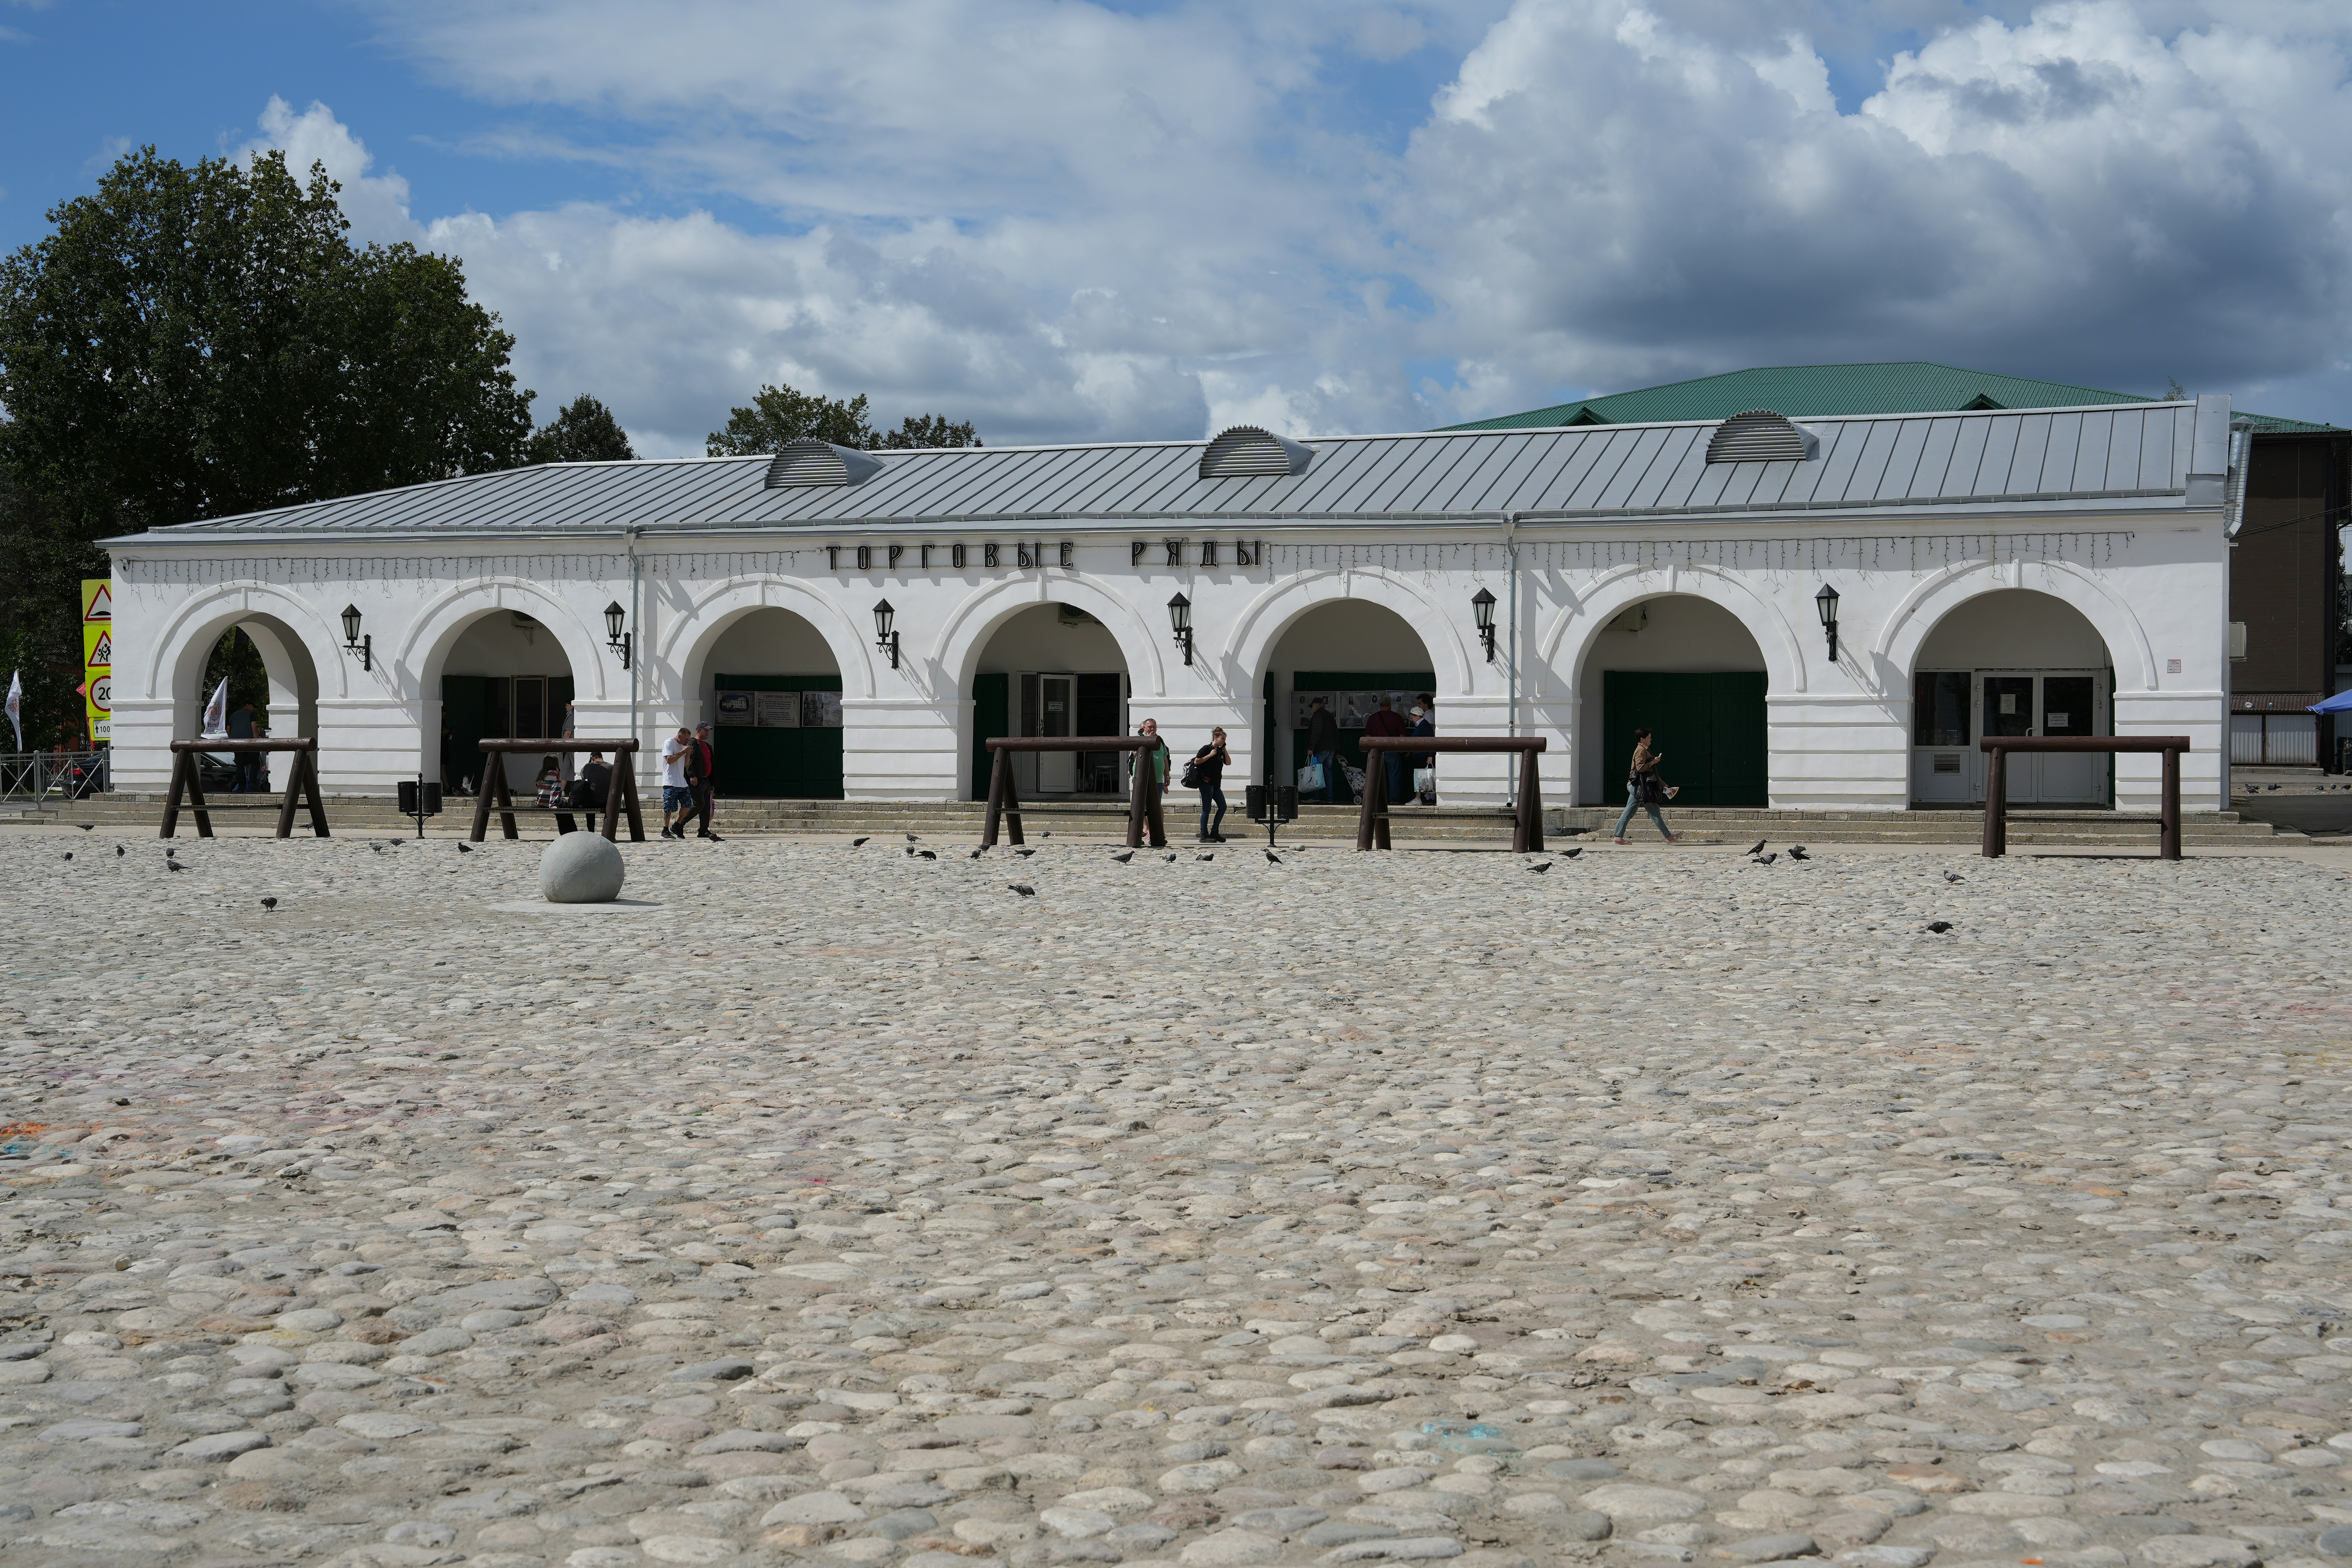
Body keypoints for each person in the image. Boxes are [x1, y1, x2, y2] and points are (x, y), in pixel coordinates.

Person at [1613, 726, 1682, 844]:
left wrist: (1664, 785)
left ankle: (1618, 837)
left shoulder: (1645, 749)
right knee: (1653, 811)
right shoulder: (1641, 751)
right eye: (1649, 738)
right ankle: (1669, 837)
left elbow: (1651, 774)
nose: (1651, 740)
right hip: (1640, 788)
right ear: (1642, 739)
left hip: (1640, 787)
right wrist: (1653, 762)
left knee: (1630, 811)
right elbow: (1641, 769)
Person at [1128, 718, 1170, 848]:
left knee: (1156, 808)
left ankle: (1156, 835)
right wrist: (1147, 741)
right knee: (1139, 806)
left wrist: (1167, 776)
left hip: (1158, 779)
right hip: (1142, 778)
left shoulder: (1160, 740)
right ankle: (1138, 834)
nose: (1153, 729)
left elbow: (1165, 759)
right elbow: (1136, 753)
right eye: (1150, 727)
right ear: (1145, 728)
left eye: (1154, 727)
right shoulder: (1139, 738)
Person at [1364, 695, 1409, 802]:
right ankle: (1394, 799)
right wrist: (1405, 751)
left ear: (1380, 705)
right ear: (1390, 705)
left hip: (1376, 751)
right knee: (1394, 776)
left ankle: (1376, 799)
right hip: (1392, 750)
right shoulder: (1397, 717)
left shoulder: (1373, 718)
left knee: (1376, 776)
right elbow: (1403, 736)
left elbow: (1368, 737)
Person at [1304, 696, 1348, 804]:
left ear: (1316, 705)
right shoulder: (1329, 715)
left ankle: (1315, 797)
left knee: (1315, 773)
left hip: (1321, 749)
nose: (1312, 709)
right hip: (1331, 749)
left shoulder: (1318, 715)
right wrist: (1337, 750)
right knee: (1328, 773)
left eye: (1312, 706)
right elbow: (1336, 733)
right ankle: (1329, 798)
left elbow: (1316, 732)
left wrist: (1311, 748)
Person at [1191, 727, 1231, 842]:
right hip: (1206, 783)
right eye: (1222, 739)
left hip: (1216, 784)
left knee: (1223, 807)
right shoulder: (1206, 749)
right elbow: (1197, 761)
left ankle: (1215, 831)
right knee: (1207, 809)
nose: (1224, 741)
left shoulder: (1221, 751)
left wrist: (1224, 749)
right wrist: (1210, 755)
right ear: (1216, 738)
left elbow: (1228, 763)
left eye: (1225, 739)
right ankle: (1204, 834)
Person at [688, 721, 723, 841]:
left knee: (706, 806)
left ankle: (703, 830)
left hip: (706, 780)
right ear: (699, 731)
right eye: (705, 730)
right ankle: (679, 825)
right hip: (696, 780)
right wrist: (692, 775)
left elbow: (711, 764)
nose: (708, 732)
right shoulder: (693, 743)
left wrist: (713, 783)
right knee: (699, 804)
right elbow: (689, 761)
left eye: (709, 730)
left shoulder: (708, 746)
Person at [660, 726, 694, 839]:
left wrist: (688, 753)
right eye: (686, 739)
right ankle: (665, 831)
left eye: (688, 740)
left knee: (687, 804)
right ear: (680, 736)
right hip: (670, 781)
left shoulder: (683, 746)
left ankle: (676, 826)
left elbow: (685, 764)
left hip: (682, 782)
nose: (687, 742)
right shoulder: (669, 743)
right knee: (669, 806)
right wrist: (682, 752)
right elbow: (670, 760)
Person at [571, 748, 613, 833]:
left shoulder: (588, 767)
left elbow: (583, 777)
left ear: (593, 759)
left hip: (593, 802)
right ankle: (608, 832)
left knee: (588, 798)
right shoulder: (611, 767)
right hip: (608, 801)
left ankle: (591, 831)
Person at [1408, 701, 1436, 803]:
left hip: (1423, 756)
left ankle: (1418, 798)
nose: (1411, 719)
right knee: (1420, 777)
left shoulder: (1424, 726)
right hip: (1420, 755)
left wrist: (1430, 756)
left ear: (1417, 716)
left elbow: (1430, 741)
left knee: (1420, 777)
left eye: (1412, 717)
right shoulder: (1421, 725)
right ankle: (1421, 798)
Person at [227, 700, 258, 791]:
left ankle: (241, 787)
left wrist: (232, 739)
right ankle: (252, 781)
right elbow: (255, 729)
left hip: (237, 744)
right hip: (250, 743)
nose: (254, 709)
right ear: (248, 705)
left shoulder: (233, 716)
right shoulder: (251, 715)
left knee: (240, 766)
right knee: (255, 763)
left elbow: (228, 729)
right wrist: (257, 744)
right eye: (253, 707)